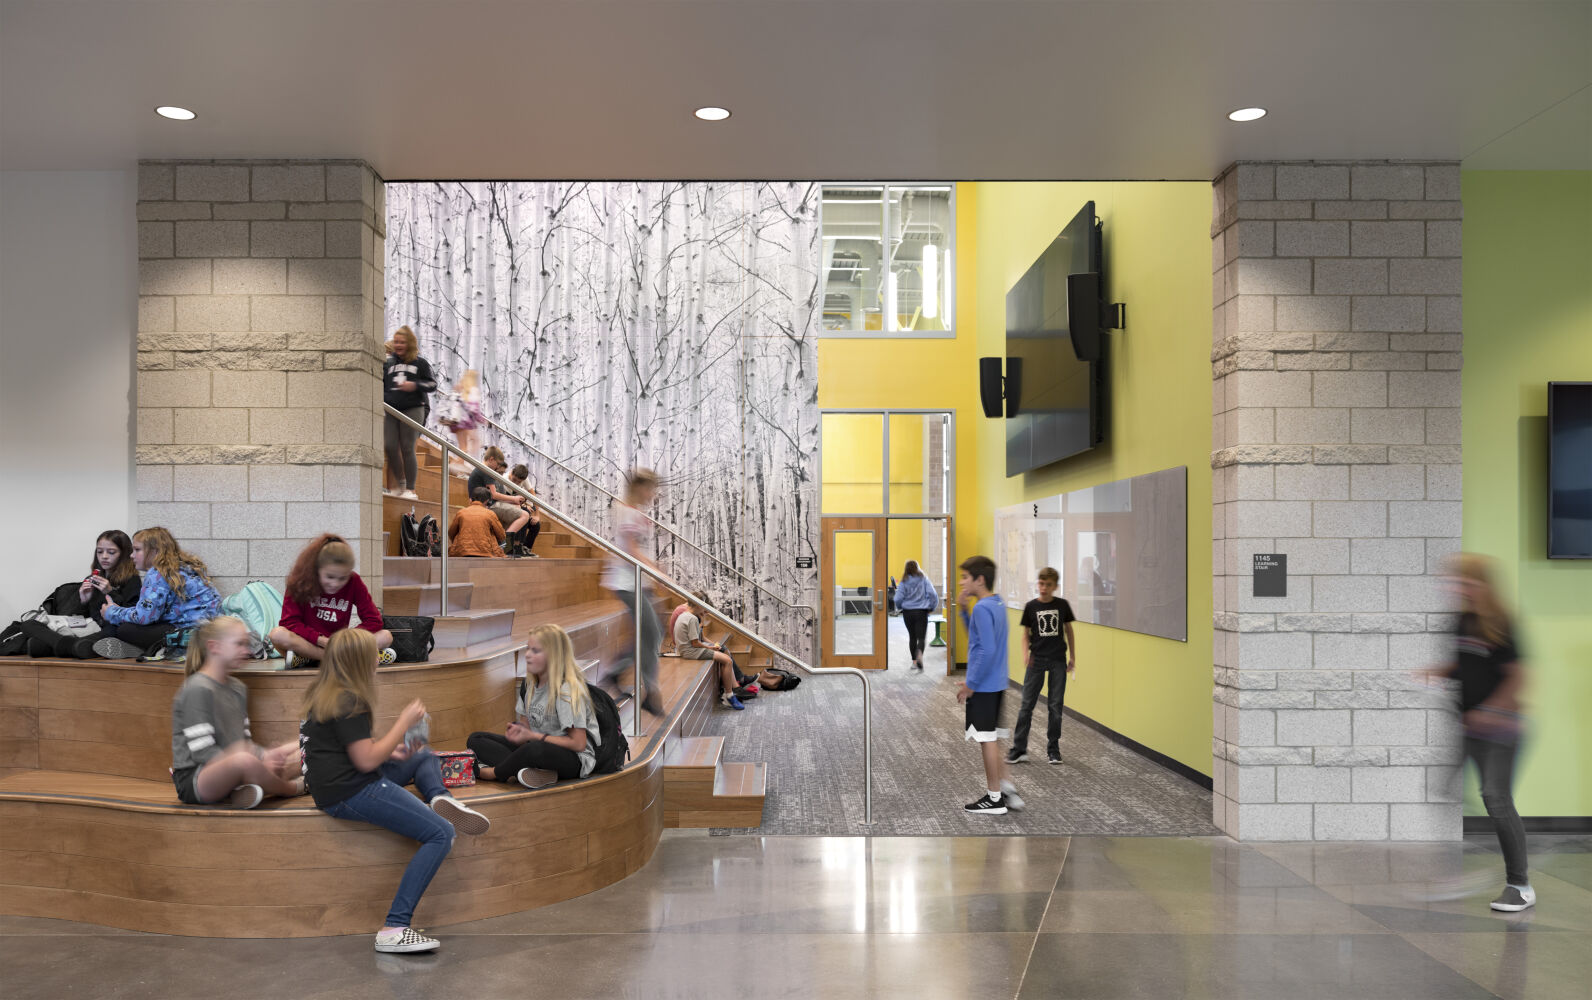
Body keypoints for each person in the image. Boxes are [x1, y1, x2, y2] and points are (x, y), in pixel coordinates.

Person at [300, 628, 491, 954]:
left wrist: (393, 751)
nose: (378, 659)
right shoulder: (351, 700)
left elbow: (351, 748)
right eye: (373, 654)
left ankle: (441, 798)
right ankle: (395, 927)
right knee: (441, 833)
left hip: (338, 784)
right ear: (359, 661)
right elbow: (365, 760)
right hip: (351, 791)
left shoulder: (328, 693)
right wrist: (402, 723)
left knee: (422, 754)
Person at [1424, 553, 1534, 912]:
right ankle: (1454, 871)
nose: (1458, 588)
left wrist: (1491, 710)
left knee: (1496, 798)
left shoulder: (1502, 622)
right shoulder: (1459, 621)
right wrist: (1437, 672)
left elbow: (1518, 677)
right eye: (1455, 582)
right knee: (1443, 788)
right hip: (1468, 726)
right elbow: (1463, 664)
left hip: (1501, 729)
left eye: (1465, 582)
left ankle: (1520, 886)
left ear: (1482, 585)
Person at [170, 616, 304, 808]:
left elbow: (244, 742)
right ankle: (292, 788)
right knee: (244, 760)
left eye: (247, 644)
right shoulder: (197, 688)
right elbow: (203, 753)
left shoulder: (238, 688)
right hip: (197, 778)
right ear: (214, 647)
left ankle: (246, 789)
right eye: (239, 644)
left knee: (303, 746)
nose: (247, 651)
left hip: (237, 765)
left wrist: (268, 757)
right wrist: (258, 763)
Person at [467, 624, 603, 788]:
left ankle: (495, 773)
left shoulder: (566, 690)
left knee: (534, 750)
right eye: (528, 649)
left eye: (535, 651)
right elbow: (526, 732)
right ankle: (530, 772)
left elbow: (578, 744)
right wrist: (519, 733)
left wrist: (535, 737)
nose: (527, 655)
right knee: (476, 739)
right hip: (537, 748)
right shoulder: (529, 685)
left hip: (574, 759)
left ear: (553, 656)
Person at [70, 527, 222, 660]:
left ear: (154, 552)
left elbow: (144, 617)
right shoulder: (186, 567)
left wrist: (112, 612)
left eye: (137, 550)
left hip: (189, 636)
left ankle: (145, 649)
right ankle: (144, 648)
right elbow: (149, 612)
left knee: (125, 629)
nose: (132, 555)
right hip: (209, 632)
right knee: (127, 625)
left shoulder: (157, 574)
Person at [2, 529, 143, 657]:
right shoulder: (92, 578)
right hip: (87, 628)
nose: (104, 556)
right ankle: (72, 647)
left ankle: (66, 646)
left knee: (37, 645)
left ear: (124, 554)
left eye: (111, 552)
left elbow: (133, 614)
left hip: (109, 629)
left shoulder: (132, 580)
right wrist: (83, 600)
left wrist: (110, 592)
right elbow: (79, 616)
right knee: (28, 624)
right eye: (100, 552)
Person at [956, 555, 1023, 816]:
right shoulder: (997, 603)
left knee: (986, 740)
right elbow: (978, 639)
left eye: (965, 578)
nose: (962, 582)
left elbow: (986, 650)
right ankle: (1007, 789)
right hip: (996, 682)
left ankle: (994, 798)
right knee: (993, 738)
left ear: (980, 580)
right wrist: (963, 611)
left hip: (983, 685)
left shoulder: (982, 609)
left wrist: (970, 684)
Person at [270, 534, 395, 668]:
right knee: (278, 634)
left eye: (343, 578)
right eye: (330, 577)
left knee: (385, 636)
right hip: (308, 642)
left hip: (340, 644)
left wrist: (345, 639)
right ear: (317, 569)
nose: (335, 584)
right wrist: (321, 640)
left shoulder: (354, 581)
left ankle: (309, 658)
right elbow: (289, 622)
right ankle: (352, 658)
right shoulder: (300, 579)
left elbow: (374, 620)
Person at [600, 468, 664, 717]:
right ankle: (649, 691)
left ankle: (616, 672)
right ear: (639, 488)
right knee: (652, 632)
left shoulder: (635, 512)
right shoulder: (627, 511)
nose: (652, 495)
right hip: (626, 582)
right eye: (650, 489)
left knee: (650, 633)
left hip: (638, 582)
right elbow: (631, 550)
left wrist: (653, 573)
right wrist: (657, 572)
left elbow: (638, 550)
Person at [1008, 566, 1076, 767]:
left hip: (1057, 660)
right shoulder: (1030, 607)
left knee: (1055, 706)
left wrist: (1073, 657)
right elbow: (1025, 635)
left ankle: (1053, 749)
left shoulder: (1062, 605)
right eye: (1041, 583)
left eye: (1048, 585)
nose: (1043, 588)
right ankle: (1019, 749)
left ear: (1055, 587)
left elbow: (1069, 631)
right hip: (1036, 660)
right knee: (1026, 705)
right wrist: (1025, 655)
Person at [383, 326, 436, 501]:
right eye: (396, 342)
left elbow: (432, 384)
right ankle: (400, 483)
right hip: (391, 408)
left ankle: (410, 489)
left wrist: (415, 385)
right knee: (390, 446)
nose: (398, 345)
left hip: (413, 408)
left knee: (407, 447)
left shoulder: (420, 363)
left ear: (410, 344)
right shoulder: (388, 363)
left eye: (402, 342)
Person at [674, 592, 752, 710]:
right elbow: (695, 643)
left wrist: (711, 645)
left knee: (724, 655)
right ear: (698, 605)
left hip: (686, 649)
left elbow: (698, 639)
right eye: (704, 607)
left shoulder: (684, 615)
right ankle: (729, 696)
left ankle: (729, 689)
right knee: (727, 661)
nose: (704, 610)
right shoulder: (692, 619)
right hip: (691, 651)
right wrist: (711, 648)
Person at [467, 447, 532, 555]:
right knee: (524, 515)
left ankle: (502, 546)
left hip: (485, 504)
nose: (497, 467)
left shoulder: (481, 469)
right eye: (497, 464)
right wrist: (514, 499)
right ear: (491, 459)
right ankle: (505, 547)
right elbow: (494, 495)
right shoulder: (486, 470)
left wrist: (513, 502)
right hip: (487, 505)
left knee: (514, 515)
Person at [893, 560, 940, 672]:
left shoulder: (904, 582)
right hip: (921, 612)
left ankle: (914, 662)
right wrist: (932, 607)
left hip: (908, 612)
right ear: (917, 568)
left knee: (912, 637)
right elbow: (933, 594)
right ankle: (919, 653)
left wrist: (900, 607)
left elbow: (897, 598)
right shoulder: (924, 579)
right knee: (921, 638)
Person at [448, 488, 507, 558]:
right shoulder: (490, 514)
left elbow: (451, 533)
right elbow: (502, 535)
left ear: (470, 500)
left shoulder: (461, 512)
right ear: (487, 501)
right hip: (486, 552)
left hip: (462, 551)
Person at [507, 464, 542, 556]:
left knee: (536, 524)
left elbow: (533, 496)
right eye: (514, 480)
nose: (516, 483)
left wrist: (537, 515)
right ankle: (517, 546)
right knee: (524, 513)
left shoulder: (524, 480)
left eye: (519, 482)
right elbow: (502, 500)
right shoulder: (505, 479)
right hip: (506, 507)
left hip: (517, 506)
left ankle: (525, 548)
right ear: (511, 473)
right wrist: (523, 507)